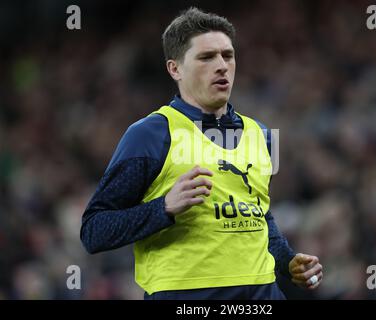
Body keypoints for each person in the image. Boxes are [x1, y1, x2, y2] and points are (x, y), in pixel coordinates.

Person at [80, 7, 323, 300]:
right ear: (175, 69)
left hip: (262, 295)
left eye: (227, 55)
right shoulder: (151, 134)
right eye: (206, 57)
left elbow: (258, 216)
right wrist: (163, 208)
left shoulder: (262, 134)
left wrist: (287, 261)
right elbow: (94, 231)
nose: (221, 66)